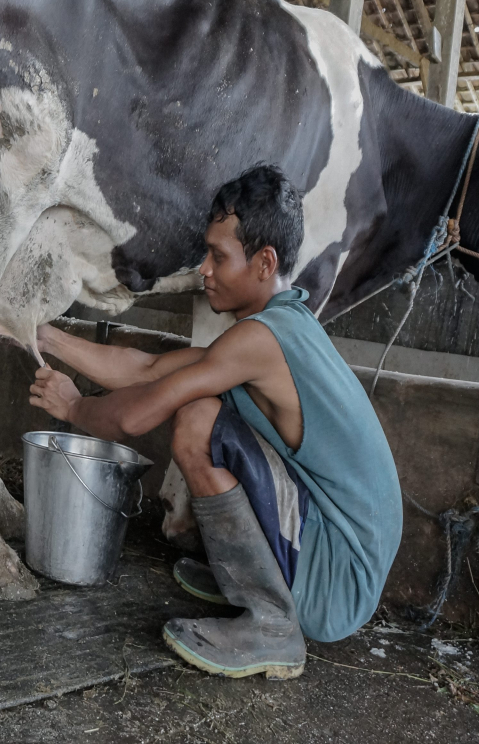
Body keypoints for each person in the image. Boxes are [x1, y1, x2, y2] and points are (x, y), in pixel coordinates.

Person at [28, 165, 402, 680]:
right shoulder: (278, 327)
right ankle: (249, 576)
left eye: (218, 256)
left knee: (199, 420)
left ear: (264, 262)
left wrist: (73, 409)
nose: (203, 269)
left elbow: (138, 414)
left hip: (336, 581)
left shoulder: (259, 342)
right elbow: (148, 368)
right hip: (335, 552)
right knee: (203, 408)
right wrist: (43, 335)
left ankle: (272, 623)